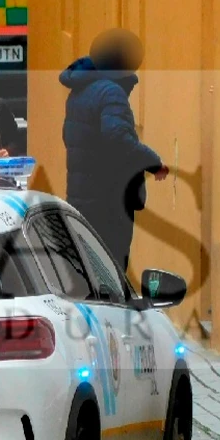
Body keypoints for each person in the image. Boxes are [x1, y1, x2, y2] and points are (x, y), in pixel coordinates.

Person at [60, 28, 168, 271]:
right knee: (111, 269)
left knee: (88, 269)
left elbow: (75, 137)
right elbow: (117, 137)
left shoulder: (82, 90)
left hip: (83, 197)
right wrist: (153, 162)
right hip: (108, 201)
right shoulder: (110, 92)